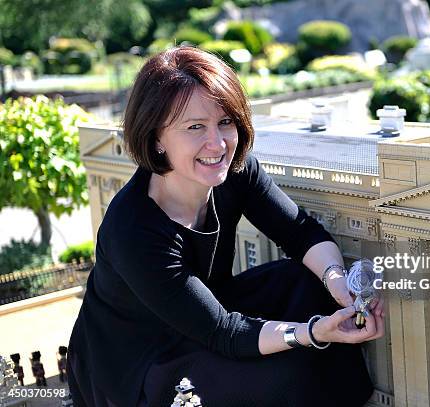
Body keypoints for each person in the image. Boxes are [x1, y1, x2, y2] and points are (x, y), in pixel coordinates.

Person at [67, 46, 384, 407]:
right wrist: (313, 332)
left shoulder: (233, 170)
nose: (217, 144)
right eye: (194, 127)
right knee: (282, 374)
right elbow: (224, 332)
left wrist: (337, 283)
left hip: (210, 311)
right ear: (156, 138)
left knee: (305, 281)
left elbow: (299, 231)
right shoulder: (134, 228)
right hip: (139, 355)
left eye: (225, 122)